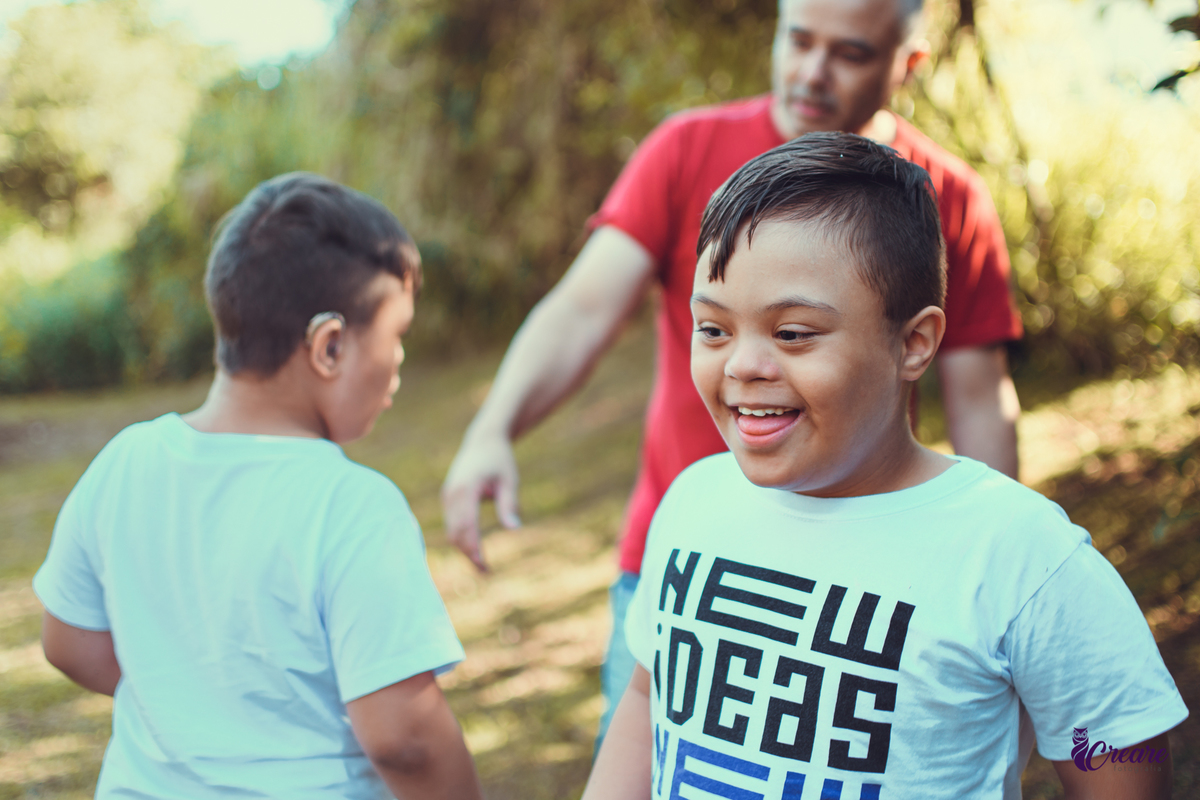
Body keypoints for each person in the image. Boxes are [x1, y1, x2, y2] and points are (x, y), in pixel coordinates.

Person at [442, 0, 1023, 744]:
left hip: (873, 591)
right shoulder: (687, 147)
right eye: (798, 40)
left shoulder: (949, 199)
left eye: (847, 53)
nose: (810, 72)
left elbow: (979, 401)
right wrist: (494, 427)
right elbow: (584, 309)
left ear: (906, 64)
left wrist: (989, 573)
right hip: (683, 575)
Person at [582, 132, 1186, 800]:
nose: (742, 365)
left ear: (913, 343)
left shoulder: (1018, 554)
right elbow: (646, 698)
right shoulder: (693, 504)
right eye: (714, 329)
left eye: (792, 334)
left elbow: (1115, 752)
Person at [34, 173, 483, 800]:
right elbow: (403, 739)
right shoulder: (351, 507)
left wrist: (191, 702)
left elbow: (68, 641)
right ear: (328, 347)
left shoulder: (125, 463)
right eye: (396, 336)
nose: (400, 362)